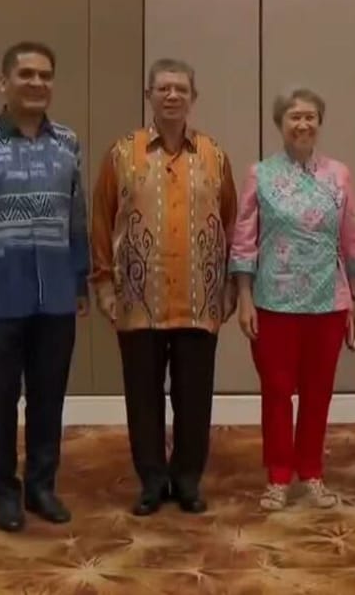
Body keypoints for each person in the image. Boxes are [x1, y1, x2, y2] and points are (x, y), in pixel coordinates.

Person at [0, 41, 89, 533]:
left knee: (49, 399)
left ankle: (42, 486)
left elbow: (77, 217)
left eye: (45, 75)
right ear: (3, 82)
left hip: (56, 294)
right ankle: (4, 492)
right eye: (26, 74)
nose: (37, 83)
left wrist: (80, 279)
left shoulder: (67, 142)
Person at [90, 58, 237, 517]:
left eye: (181, 89)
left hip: (199, 299)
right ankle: (152, 480)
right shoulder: (122, 154)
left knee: (194, 397)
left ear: (194, 98)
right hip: (138, 300)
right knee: (143, 397)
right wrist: (104, 283)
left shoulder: (214, 155)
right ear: (149, 95)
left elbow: (231, 223)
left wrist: (230, 285)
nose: (172, 96)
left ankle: (188, 479)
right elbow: (102, 220)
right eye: (163, 89)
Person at [229, 86, 355, 511]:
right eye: (294, 117)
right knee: (276, 390)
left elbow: (352, 236)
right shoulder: (260, 174)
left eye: (310, 117)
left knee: (317, 392)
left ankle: (311, 472)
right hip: (274, 300)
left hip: (329, 300)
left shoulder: (339, 175)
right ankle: (277, 475)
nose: (303, 124)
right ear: (280, 123)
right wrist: (244, 296)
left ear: (319, 123)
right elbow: (244, 239)